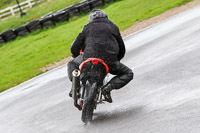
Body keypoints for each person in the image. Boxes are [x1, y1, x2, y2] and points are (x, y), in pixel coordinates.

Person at [67, 9, 133, 103]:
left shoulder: (87, 27)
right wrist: (115, 61)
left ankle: (76, 86)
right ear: (106, 17)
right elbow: (122, 49)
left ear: (90, 19)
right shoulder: (113, 26)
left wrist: (76, 56)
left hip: (89, 57)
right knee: (129, 73)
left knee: (71, 64)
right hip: (109, 61)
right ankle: (108, 88)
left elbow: (74, 47)